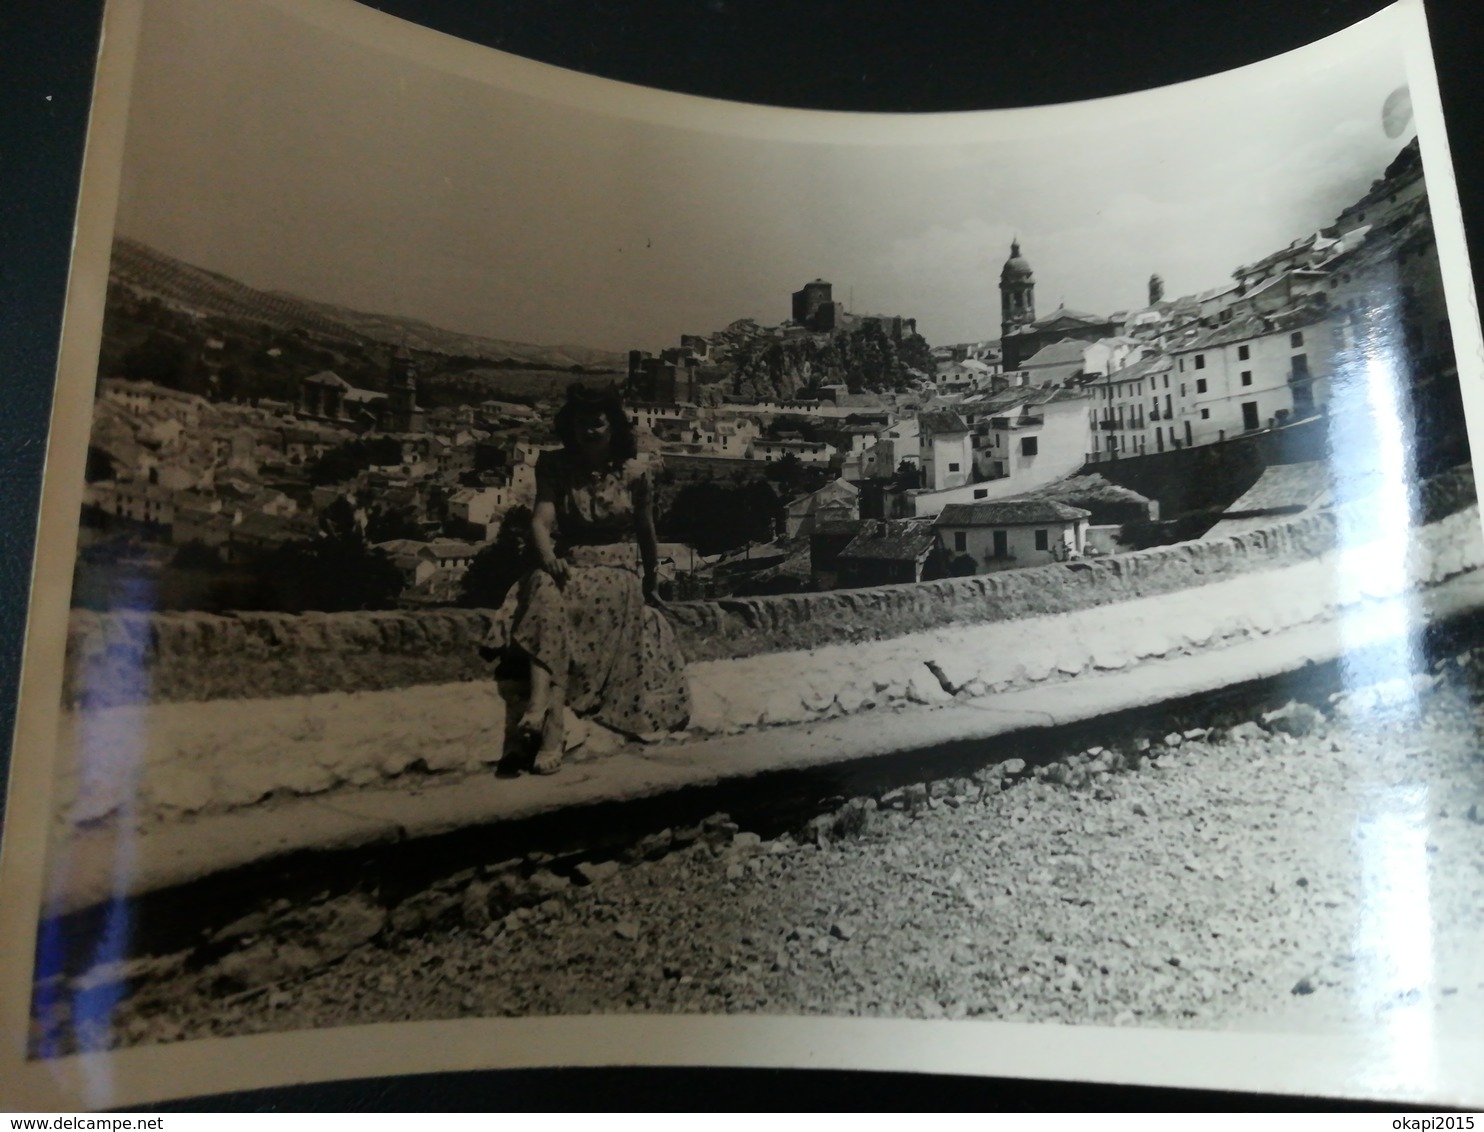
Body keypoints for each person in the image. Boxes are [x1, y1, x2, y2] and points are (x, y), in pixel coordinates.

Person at [489, 384, 690, 774]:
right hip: (567, 561)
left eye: (596, 423)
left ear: (613, 426)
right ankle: (542, 712)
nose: (589, 432)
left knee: (569, 605)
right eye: (581, 424)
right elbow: (541, 521)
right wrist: (547, 558)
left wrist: (652, 579)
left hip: (615, 569)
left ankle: (546, 720)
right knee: (544, 590)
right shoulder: (553, 466)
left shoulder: (635, 474)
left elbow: (647, 532)